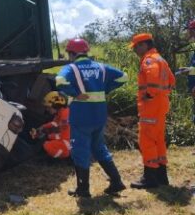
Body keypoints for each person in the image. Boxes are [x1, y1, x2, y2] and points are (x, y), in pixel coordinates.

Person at [55, 38, 128, 197]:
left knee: (80, 151)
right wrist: (105, 89)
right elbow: (124, 77)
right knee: (99, 147)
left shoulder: (72, 68)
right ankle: (116, 181)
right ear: (86, 52)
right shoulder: (101, 67)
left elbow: (59, 81)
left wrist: (75, 93)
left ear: (72, 53)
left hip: (82, 115)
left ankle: (83, 189)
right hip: (99, 115)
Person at [129, 33, 175, 189]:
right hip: (161, 105)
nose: (135, 50)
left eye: (136, 47)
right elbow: (171, 80)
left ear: (144, 45)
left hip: (151, 106)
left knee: (147, 140)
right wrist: (161, 95)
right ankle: (162, 176)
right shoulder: (160, 58)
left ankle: (150, 178)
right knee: (158, 140)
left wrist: (150, 94)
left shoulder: (149, 60)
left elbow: (153, 75)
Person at [30, 91, 71, 159]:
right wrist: (42, 127)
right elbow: (54, 124)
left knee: (47, 146)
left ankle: (59, 159)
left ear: (56, 105)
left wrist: (44, 132)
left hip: (69, 144)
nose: (47, 109)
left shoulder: (65, 114)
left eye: (48, 107)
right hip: (66, 139)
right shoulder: (60, 112)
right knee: (47, 138)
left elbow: (59, 128)